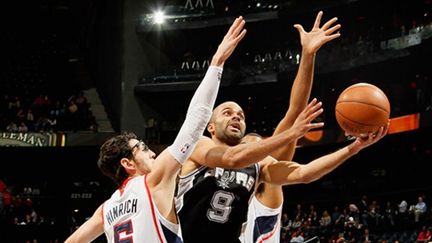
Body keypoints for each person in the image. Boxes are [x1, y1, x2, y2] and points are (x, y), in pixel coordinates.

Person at [175, 12, 390, 243]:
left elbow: (304, 173)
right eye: (227, 113)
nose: (236, 117)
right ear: (211, 127)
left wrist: (353, 148)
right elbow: (232, 158)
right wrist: (290, 134)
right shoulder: (198, 146)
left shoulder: (258, 168)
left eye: (241, 115)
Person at [64, 16, 247, 243]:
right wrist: (217, 63)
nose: (152, 152)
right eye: (141, 148)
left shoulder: (106, 209)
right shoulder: (154, 181)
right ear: (127, 163)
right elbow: (195, 123)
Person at [238, 11, 341, 243]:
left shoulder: (266, 184)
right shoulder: (223, 188)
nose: (260, 156)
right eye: (252, 151)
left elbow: (294, 113)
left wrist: (307, 55)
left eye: (264, 151)